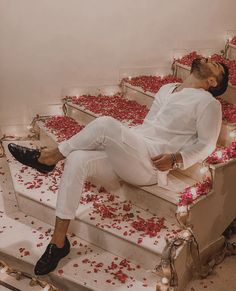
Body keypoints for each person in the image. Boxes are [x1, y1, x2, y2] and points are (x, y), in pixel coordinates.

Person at [8, 58, 229, 276]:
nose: (210, 60)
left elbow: (206, 144)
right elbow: (149, 126)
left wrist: (177, 159)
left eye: (216, 66)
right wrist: (125, 139)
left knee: (105, 124)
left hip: (151, 164)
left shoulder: (209, 103)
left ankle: (48, 158)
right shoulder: (167, 89)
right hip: (135, 150)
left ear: (212, 81)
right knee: (76, 160)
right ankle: (58, 243)